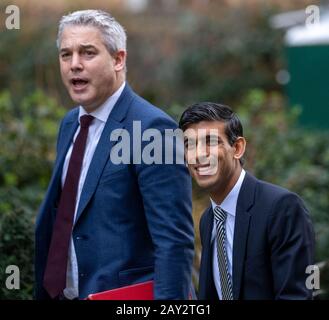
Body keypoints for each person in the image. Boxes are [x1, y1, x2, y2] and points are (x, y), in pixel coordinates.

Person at [35, 9, 194, 300]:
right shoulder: (70, 123)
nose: (74, 65)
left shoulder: (152, 129)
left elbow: (174, 242)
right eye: (65, 55)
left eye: (87, 53)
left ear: (118, 59)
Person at [179, 102, 315, 300]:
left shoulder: (282, 208)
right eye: (189, 145)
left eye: (210, 141)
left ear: (237, 148)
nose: (199, 154)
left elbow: (296, 296)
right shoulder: (208, 219)